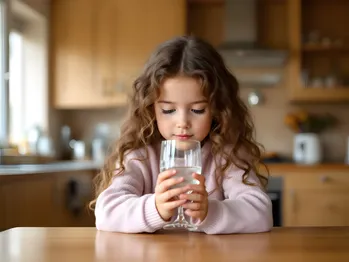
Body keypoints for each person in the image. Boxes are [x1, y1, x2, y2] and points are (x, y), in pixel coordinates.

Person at [90, 35, 273, 234]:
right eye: (169, 111)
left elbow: (261, 213)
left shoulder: (227, 157)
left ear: (217, 110)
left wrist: (211, 212)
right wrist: (155, 208)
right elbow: (106, 212)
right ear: (151, 109)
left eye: (197, 110)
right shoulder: (140, 156)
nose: (182, 123)